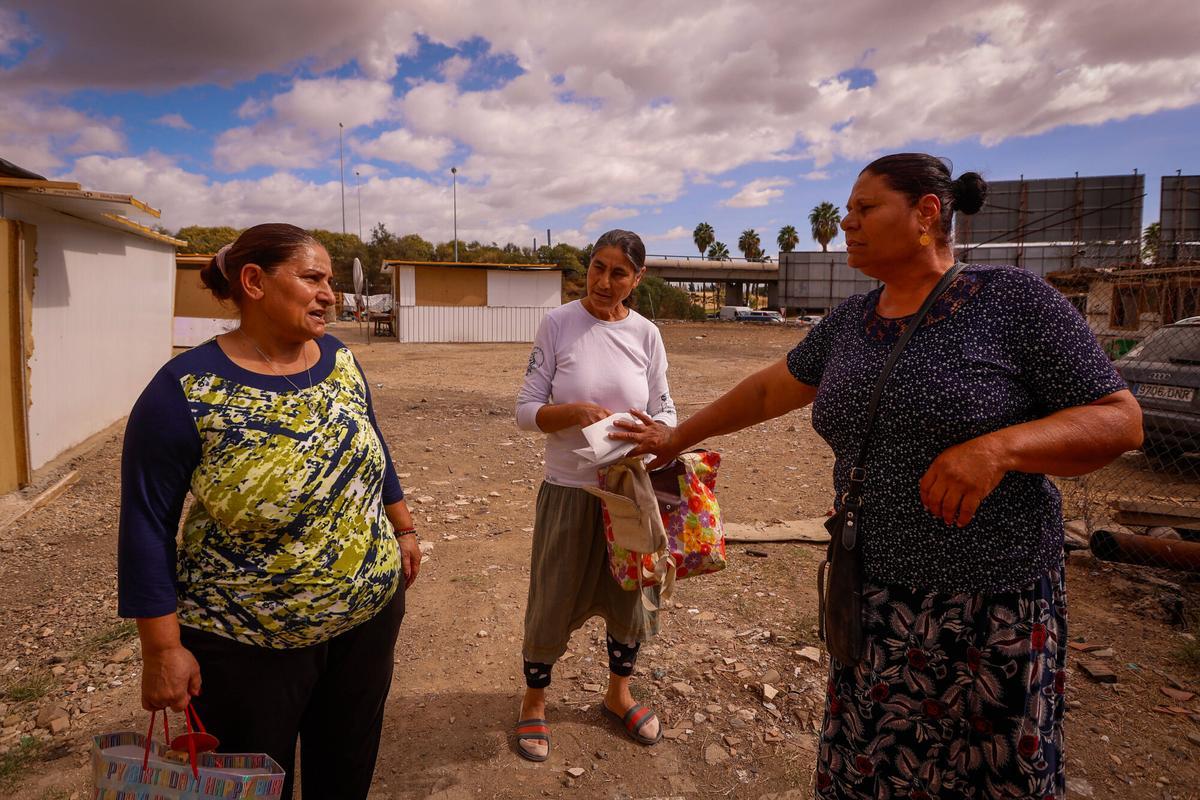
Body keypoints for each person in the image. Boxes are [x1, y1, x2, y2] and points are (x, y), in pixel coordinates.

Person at [614, 154, 1143, 798]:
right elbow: (767, 391)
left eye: (865, 209)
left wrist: (999, 449)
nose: (847, 223)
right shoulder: (853, 320)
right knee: (876, 766)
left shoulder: (1012, 300)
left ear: (926, 214)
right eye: (846, 210)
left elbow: (1119, 421)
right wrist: (675, 437)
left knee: (984, 771)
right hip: (875, 590)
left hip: (989, 603)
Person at [118, 223, 420, 800]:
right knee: (253, 787)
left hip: (367, 624)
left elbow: (372, 442)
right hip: (245, 647)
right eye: (313, 279)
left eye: (330, 281)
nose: (330, 294)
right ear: (254, 282)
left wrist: (402, 526)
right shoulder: (184, 390)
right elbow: (146, 525)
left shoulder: (339, 358)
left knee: (346, 772)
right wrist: (161, 648)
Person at [513, 229, 677, 761]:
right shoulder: (558, 323)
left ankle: (618, 694)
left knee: (630, 596)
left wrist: (657, 432)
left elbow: (667, 408)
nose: (604, 282)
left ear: (638, 278)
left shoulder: (647, 334)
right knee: (552, 598)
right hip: (569, 489)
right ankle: (534, 701)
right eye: (597, 267)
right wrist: (572, 413)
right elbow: (525, 410)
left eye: (619, 273)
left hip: (629, 493)